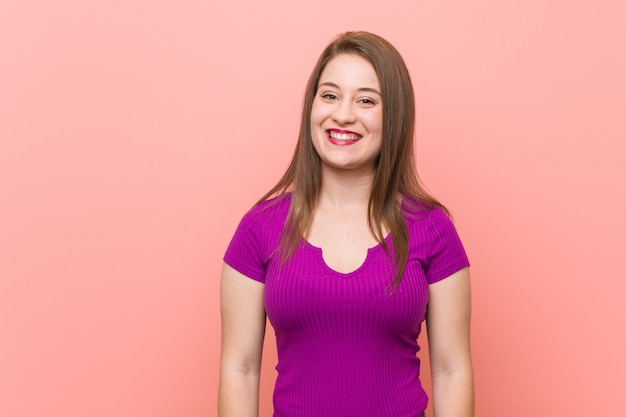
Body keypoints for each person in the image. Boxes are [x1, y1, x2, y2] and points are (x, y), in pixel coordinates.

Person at [218, 31, 474, 417]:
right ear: (312, 107)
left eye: (366, 100)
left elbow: (451, 369)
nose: (342, 115)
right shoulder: (259, 229)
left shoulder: (434, 229)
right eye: (330, 95)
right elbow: (241, 368)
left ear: (395, 117)